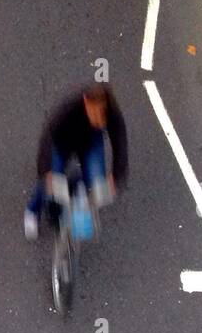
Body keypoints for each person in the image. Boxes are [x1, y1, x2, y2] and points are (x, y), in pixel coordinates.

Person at [24, 84, 127, 240]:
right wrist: (46, 171)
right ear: (86, 101)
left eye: (102, 116)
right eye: (95, 113)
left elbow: (119, 139)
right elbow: (47, 138)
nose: (99, 121)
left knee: (96, 185)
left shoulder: (111, 112)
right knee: (49, 182)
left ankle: (76, 189)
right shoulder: (68, 109)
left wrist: (116, 175)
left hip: (90, 143)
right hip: (62, 142)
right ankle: (32, 211)